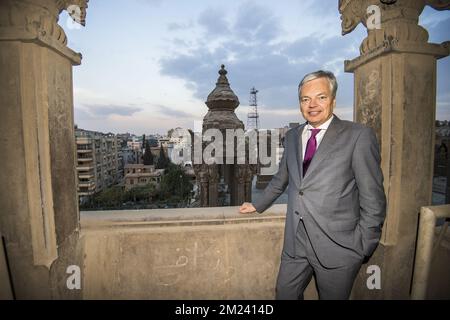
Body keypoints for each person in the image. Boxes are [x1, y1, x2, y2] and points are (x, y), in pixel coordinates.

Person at [239, 70, 386, 300]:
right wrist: (258, 205)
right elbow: (281, 179)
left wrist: (363, 246)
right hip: (296, 243)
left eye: (321, 97)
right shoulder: (292, 136)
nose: (312, 105)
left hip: (339, 247)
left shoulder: (358, 136)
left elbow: (373, 197)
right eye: (305, 99)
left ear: (333, 100)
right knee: (284, 294)